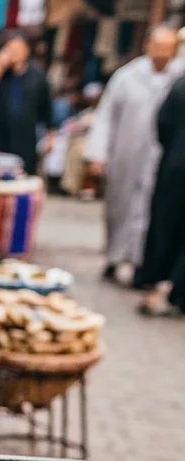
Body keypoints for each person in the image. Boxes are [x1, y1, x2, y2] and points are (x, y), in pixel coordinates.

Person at [84, 25, 184, 284]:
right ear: (148, 45)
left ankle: (145, 265)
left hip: (162, 157)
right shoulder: (126, 77)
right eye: (158, 46)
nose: (162, 53)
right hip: (126, 153)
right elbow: (106, 117)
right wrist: (98, 154)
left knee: (154, 212)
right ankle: (115, 257)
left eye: (168, 48)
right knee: (120, 206)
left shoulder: (179, 77)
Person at [136, 69, 185, 315]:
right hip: (176, 162)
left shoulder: (179, 85)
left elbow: (162, 123)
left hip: (174, 164)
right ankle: (177, 291)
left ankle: (154, 278)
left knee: (164, 225)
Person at [0, 32, 54, 176]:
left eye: (18, 49)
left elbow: (46, 109)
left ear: (26, 50)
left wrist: (50, 135)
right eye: (10, 49)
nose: (14, 53)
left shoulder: (37, 77)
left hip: (24, 141)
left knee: (22, 183)